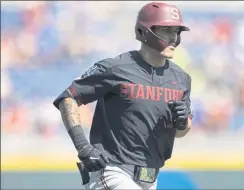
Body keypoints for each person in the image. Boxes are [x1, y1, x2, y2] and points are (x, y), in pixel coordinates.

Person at [53, 2, 193, 190]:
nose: (174, 38)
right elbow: (68, 97)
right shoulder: (116, 68)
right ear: (144, 31)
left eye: (177, 31)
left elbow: (182, 132)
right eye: (166, 30)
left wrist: (183, 122)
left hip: (151, 176)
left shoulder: (181, 79)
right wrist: (83, 147)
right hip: (111, 170)